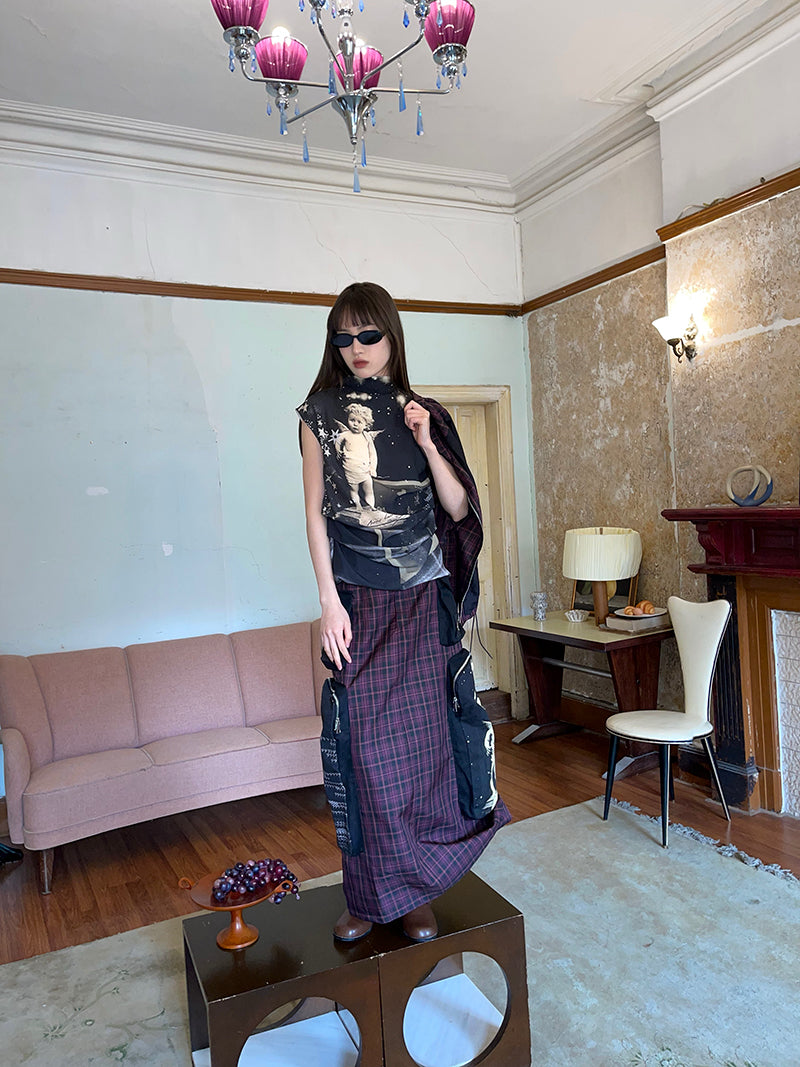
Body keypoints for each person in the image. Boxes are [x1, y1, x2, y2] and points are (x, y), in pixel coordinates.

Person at [297, 281, 510, 943]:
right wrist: (328, 601)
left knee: (424, 753)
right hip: (358, 603)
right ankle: (367, 896)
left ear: (392, 336)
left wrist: (426, 441)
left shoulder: (424, 413)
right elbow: (314, 514)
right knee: (362, 755)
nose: (355, 348)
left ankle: (418, 891)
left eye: (369, 335)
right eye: (343, 337)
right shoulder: (317, 415)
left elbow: (457, 507)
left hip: (422, 600)